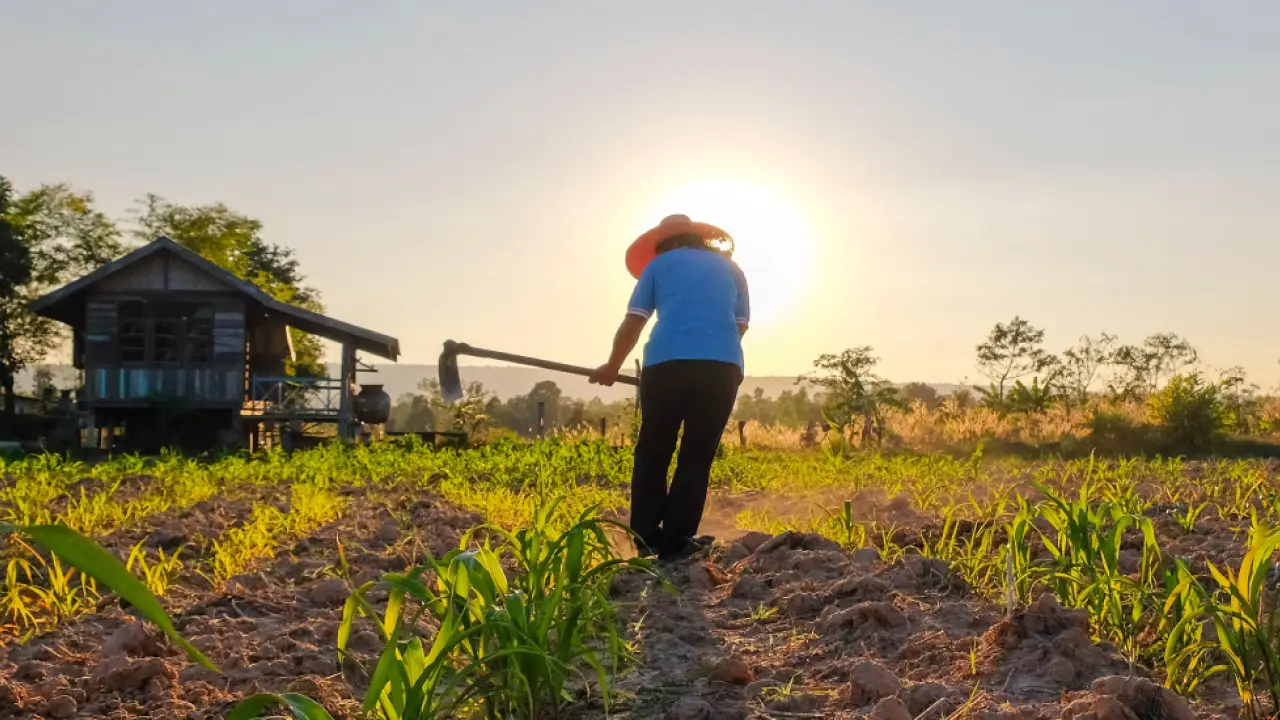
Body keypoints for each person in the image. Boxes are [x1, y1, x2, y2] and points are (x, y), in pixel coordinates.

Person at [589, 214, 749, 562]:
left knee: (653, 449)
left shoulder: (660, 266)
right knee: (697, 454)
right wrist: (711, 355)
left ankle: (645, 538)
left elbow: (635, 320)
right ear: (698, 239)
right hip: (721, 367)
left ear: (663, 244)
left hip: (665, 365)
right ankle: (676, 542)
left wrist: (613, 366)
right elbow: (740, 325)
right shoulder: (732, 269)